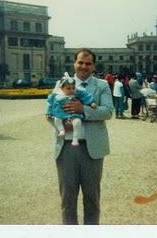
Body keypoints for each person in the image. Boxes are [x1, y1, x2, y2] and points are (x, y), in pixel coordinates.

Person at [47, 48, 113, 225]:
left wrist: (82, 109)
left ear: (93, 66)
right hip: (66, 148)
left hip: (92, 148)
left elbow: (107, 112)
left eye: (88, 63)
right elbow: (50, 112)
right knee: (68, 199)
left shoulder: (102, 85)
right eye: (80, 62)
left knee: (92, 198)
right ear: (74, 63)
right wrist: (60, 123)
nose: (84, 66)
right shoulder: (61, 84)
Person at [46, 72, 97, 146]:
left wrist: (91, 103)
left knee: (77, 122)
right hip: (60, 114)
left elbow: (85, 96)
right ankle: (61, 130)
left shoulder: (77, 93)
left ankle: (75, 138)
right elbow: (50, 104)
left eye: (73, 88)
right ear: (61, 88)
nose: (71, 90)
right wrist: (48, 112)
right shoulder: (57, 96)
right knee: (57, 119)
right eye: (68, 88)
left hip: (74, 114)